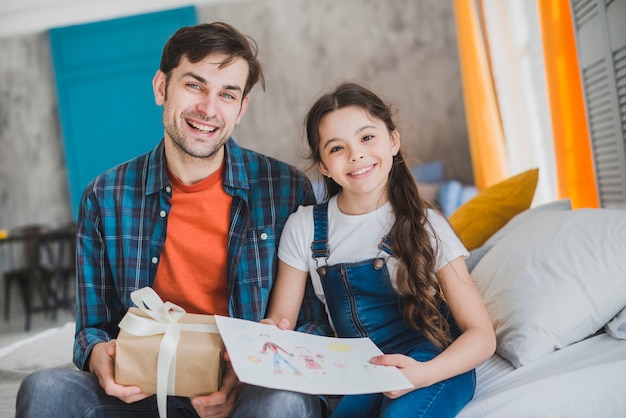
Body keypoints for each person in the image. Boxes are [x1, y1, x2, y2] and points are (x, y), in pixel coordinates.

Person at [16, 22, 332, 418]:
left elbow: (313, 325)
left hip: (247, 392)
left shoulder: (285, 189)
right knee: (43, 390)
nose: (208, 108)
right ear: (161, 87)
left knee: (285, 401)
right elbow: (90, 328)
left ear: (241, 108)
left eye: (227, 94)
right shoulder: (104, 197)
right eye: (194, 85)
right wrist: (100, 356)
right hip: (142, 392)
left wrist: (258, 367)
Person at [263, 82, 496, 417]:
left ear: (394, 140)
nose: (356, 154)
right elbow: (281, 320)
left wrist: (422, 375)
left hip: (432, 363)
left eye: (367, 137)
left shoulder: (427, 224)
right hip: (363, 372)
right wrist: (273, 333)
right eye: (336, 148)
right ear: (324, 166)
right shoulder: (303, 227)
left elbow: (482, 336)